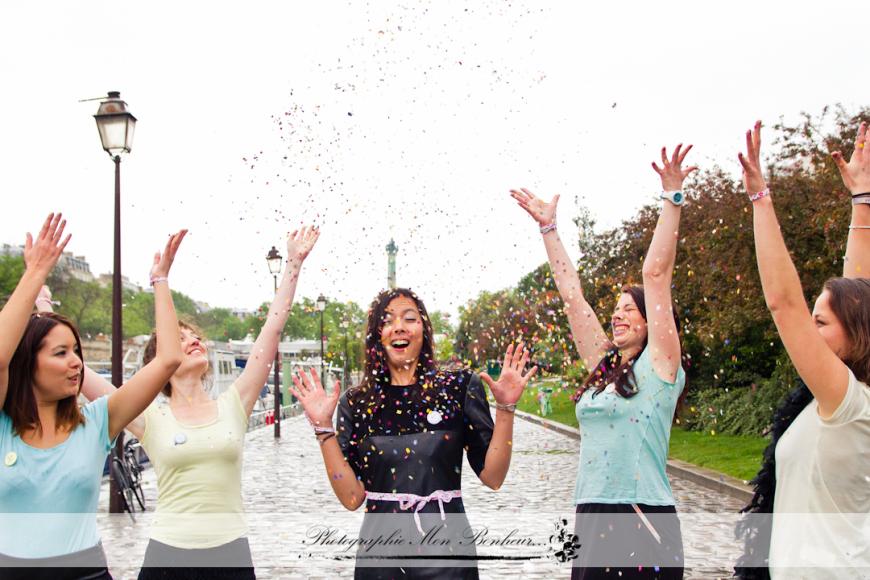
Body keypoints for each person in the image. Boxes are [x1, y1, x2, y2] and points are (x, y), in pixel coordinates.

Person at [62, 226, 320, 579]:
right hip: (168, 556)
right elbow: (79, 372)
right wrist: (43, 313)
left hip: (231, 553)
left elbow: (272, 329)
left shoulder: (235, 403)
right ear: (162, 362)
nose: (195, 340)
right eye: (180, 340)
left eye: (195, 336)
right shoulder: (150, 417)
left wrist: (293, 264)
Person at [511, 144, 696, 579]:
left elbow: (656, 276)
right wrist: (549, 228)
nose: (617, 315)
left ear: (653, 321)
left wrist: (672, 198)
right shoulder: (604, 367)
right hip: (590, 514)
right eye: (615, 309)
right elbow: (573, 296)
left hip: (642, 515)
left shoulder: (662, 367)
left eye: (629, 309)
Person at [289, 287, 538, 579]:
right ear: (376, 336)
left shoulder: (458, 387)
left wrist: (506, 408)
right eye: (387, 320)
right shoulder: (356, 403)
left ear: (424, 329)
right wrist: (323, 429)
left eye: (409, 318)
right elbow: (352, 498)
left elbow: (493, 477)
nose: (399, 327)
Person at [0, 214, 185, 580]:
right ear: (27, 363)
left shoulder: (99, 420)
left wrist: (160, 281)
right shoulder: (5, 424)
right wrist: (35, 274)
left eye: (77, 352)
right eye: (60, 353)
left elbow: (168, 358)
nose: (76, 364)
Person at [735, 121, 870, 578]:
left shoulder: (849, 403)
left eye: (821, 323)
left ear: (857, 335)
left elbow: (783, 303)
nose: (808, 332)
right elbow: (859, 289)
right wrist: (862, 200)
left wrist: (760, 200)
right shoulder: (841, 398)